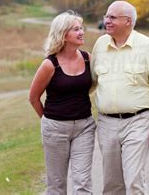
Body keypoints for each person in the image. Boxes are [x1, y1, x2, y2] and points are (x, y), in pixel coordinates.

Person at [91, 1, 149, 194]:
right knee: (112, 184)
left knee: (134, 179)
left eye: (112, 17)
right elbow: (92, 81)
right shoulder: (100, 45)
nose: (107, 21)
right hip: (106, 123)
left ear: (128, 21)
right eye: (106, 16)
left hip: (138, 122)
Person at [28, 10, 96, 195]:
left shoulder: (88, 58)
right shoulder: (49, 65)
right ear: (63, 35)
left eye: (81, 28)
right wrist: (49, 121)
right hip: (55, 129)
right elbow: (33, 98)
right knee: (57, 185)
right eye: (76, 29)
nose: (81, 32)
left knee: (83, 182)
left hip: (84, 127)